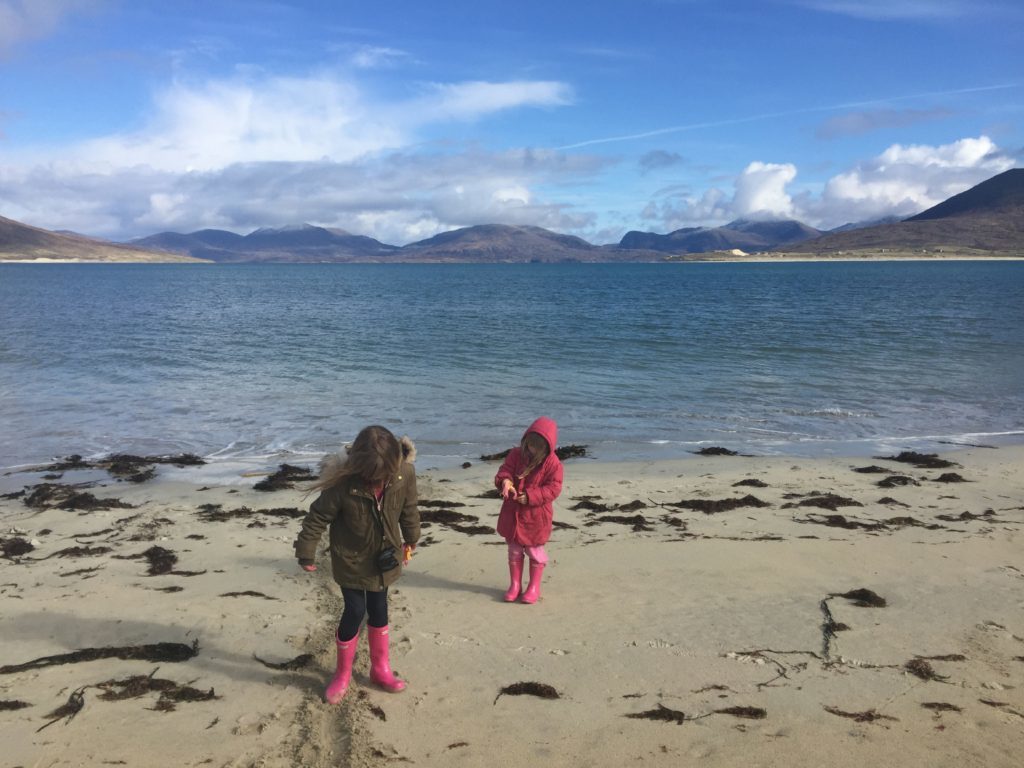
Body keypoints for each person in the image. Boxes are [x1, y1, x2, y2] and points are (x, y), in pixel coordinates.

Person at [294, 425, 420, 704]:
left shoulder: (404, 474)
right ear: (357, 465)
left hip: (385, 559)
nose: (377, 481)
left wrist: (411, 538)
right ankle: (342, 673)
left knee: (379, 609)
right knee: (355, 609)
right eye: (370, 476)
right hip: (350, 559)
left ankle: (380, 669)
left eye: (382, 475)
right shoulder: (342, 484)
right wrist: (306, 551)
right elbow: (317, 517)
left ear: (394, 464)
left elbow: (409, 507)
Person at [495, 417, 563, 604]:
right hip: (513, 512)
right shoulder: (516, 454)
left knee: (534, 550)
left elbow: (554, 488)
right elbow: (505, 470)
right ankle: (515, 585)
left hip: (536, 516)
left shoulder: (553, 464)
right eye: (529, 445)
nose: (531, 450)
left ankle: (534, 587)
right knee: (514, 549)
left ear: (546, 448)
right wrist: (506, 482)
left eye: (536, 447)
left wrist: (531, 497)